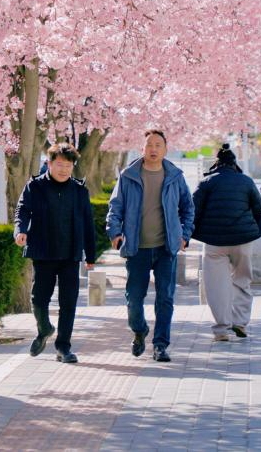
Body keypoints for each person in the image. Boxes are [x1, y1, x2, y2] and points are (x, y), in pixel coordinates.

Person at [106, 129, 194, 363]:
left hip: (167, 248)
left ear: (165, 149)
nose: (153, 149)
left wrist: (184, 235)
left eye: (158, 145)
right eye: (149, 145)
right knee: (134, 298)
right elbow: (115, 207)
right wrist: (115, 233)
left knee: (165, 297)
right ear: (142, 149)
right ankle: (139, 330)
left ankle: (160, 345)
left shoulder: (175, 176)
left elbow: (188, 207)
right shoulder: (128, 176)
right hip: (137, 248)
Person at [13, 142, 97, 363]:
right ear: (49, 164)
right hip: (43, 252)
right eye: (59, 164)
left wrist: (91, 255)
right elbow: (22, 210)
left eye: (68, 166)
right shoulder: (35, 187)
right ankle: (44, 329)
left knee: (68, 303)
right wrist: (20, 231)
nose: (64, 170)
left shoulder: (79, 191)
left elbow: (88, 223)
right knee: (39, 299)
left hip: (70, 254)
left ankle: (63, 347)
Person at [191, 145, 261, 342]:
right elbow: (259, 208)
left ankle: (221, 329)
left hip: (214, 241)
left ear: (216, 163)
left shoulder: (206, 182)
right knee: (242, 280)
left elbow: (193, 210)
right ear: (235, 164)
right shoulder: (246, 181)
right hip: (243, 240)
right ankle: (240, 322)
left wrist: (189, 234)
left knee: (216, 286)